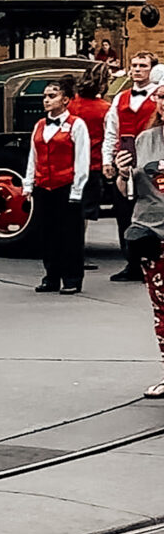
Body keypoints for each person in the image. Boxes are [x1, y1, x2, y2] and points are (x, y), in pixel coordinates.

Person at [113, 83, 164, 399]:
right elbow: (126, 190)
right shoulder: (145, 141)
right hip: (151, 233)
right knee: (162, 308)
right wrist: (121, 174)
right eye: (161, 96)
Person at [22, 79, 90, 295]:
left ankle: (72, 278)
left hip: (66, 186)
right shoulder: (39, 125)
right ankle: (51, 276)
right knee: (47, 234)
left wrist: (77, 190)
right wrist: (28, 184)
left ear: (66, 100)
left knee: (70, 235)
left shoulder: (77, 124)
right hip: (44, 186)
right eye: (45, 96)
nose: (46, 100)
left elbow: (82, 159)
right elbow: (33, 156)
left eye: (52, 96)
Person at [103, 51, 158, 282]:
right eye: (134, 65)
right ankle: (131, 263)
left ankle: (153, 262)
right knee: (124, 214)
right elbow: (111, 130)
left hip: (152, 161)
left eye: (143, 66)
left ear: (151, 69)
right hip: (126, 161)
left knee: (151, 212)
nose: (137, 69)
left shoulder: (159, 96)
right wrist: (108, 159)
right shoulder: (120, 97)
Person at [69, 65, 111, 267]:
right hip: (92, 163)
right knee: (84, 212)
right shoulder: (104, 109)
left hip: (69, 163)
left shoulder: (71, 105)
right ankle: (77, 252)